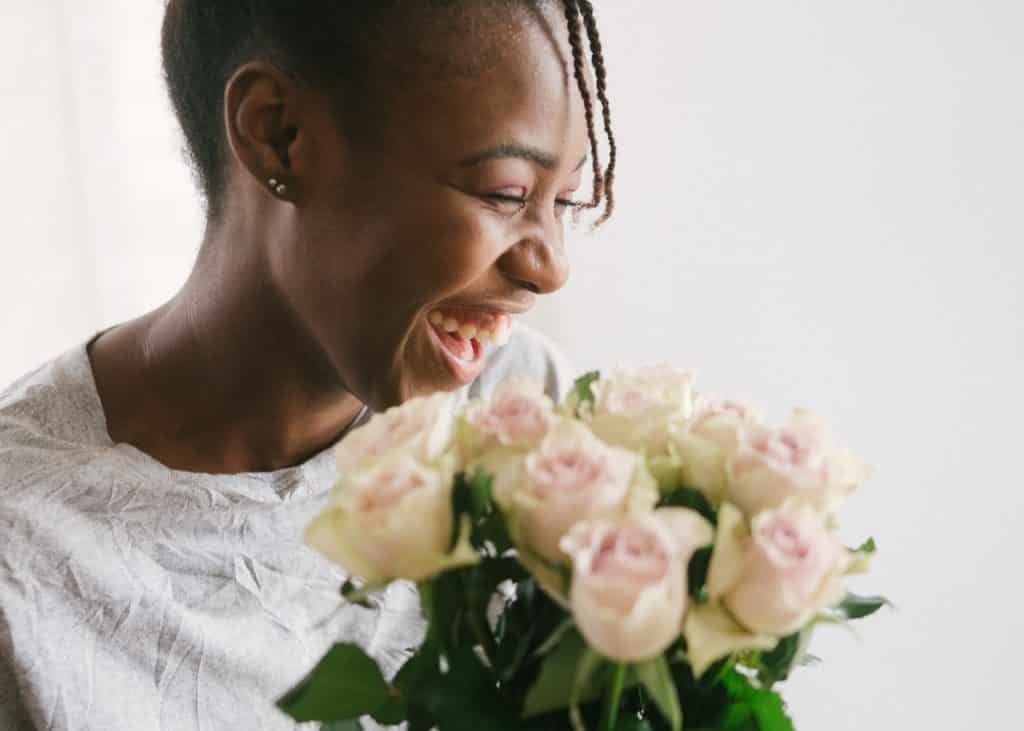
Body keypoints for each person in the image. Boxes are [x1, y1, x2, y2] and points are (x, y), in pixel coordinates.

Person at [0, 1, 617, 729]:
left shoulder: (524, 415)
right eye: (506, 193)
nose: (551, 267)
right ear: (278, 134)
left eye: (566, 199)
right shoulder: (25, 560)